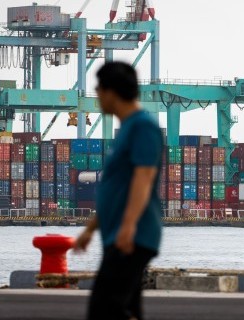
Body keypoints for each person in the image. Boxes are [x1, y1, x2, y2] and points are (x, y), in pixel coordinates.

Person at [74, 61, 164, 320]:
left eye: (98, 89)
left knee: (105, 309)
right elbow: (116, 190)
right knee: (125, 308)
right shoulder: (126, 128)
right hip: (121, 234)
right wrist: (90, 230)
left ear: (110, 92)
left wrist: (128, 227)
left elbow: (143, 178)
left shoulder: (142, 126)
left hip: (133, 235)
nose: (97, 96)